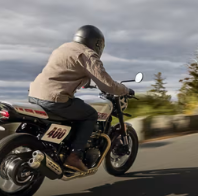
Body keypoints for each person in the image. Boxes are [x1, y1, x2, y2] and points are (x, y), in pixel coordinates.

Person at [27, 25, 134, 176]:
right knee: (90, 114)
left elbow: (67, 71)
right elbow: (108, 85)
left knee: (74, 109)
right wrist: (125, 90)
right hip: (54, 99)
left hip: (34, 94)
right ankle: (74, 156)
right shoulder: (88, 54)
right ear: (98, 44)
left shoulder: (64, 48)